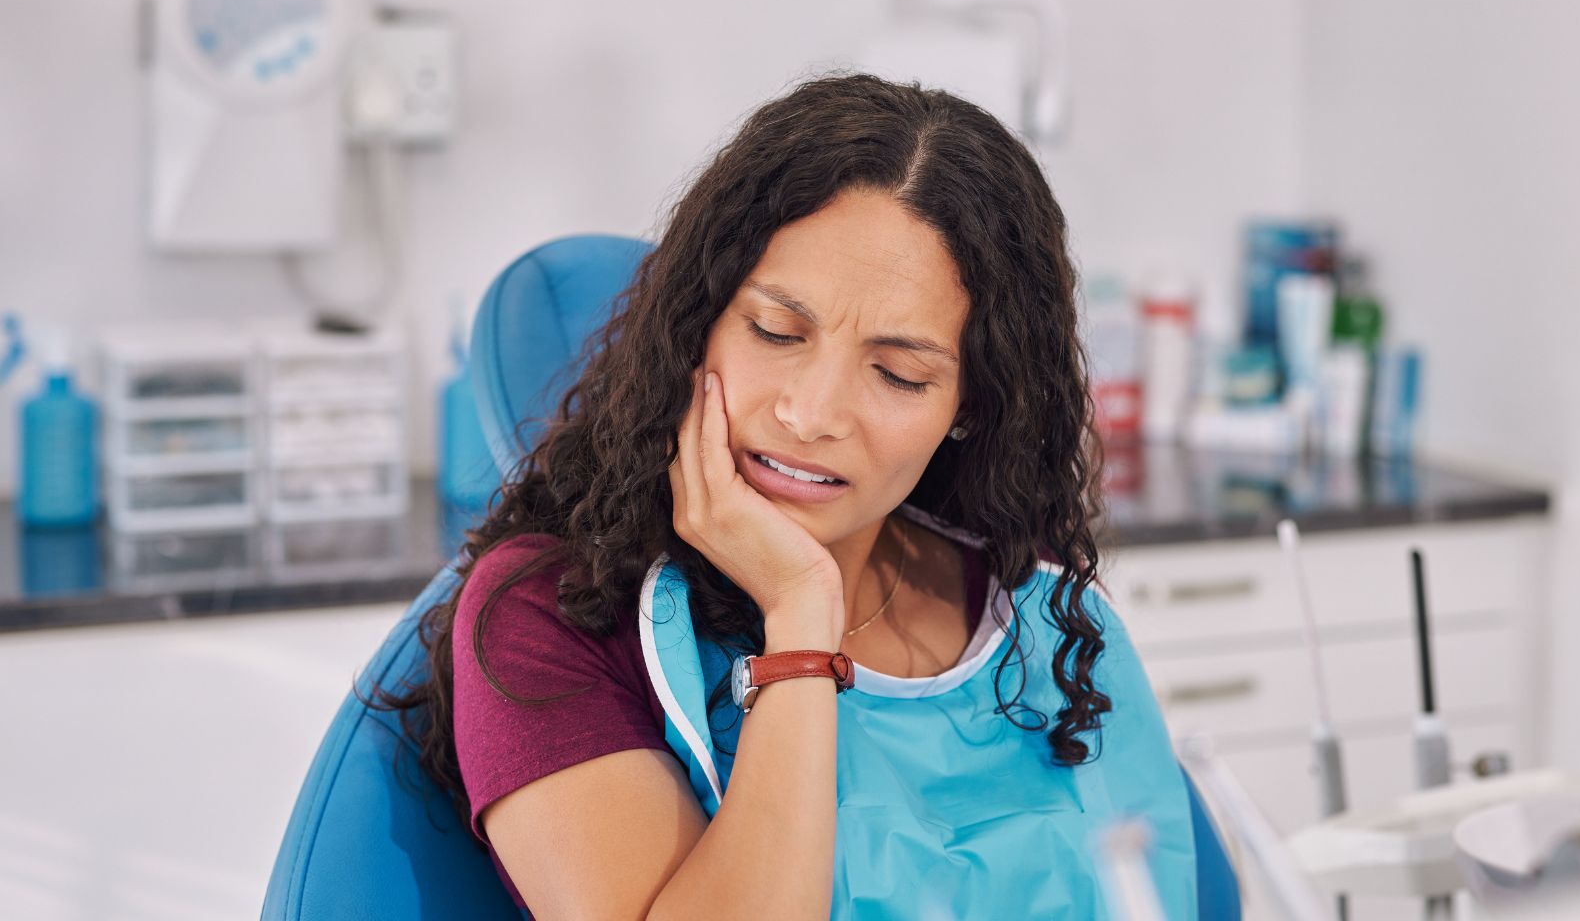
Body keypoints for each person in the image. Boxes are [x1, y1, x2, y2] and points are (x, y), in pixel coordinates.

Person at [372, 73, 1197, 919]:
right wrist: (802, 616)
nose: (809, 415)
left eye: (899, 374)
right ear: (698, 322)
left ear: (971, 406)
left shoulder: (1039, 615)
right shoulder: (549, 618)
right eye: (775, 331)